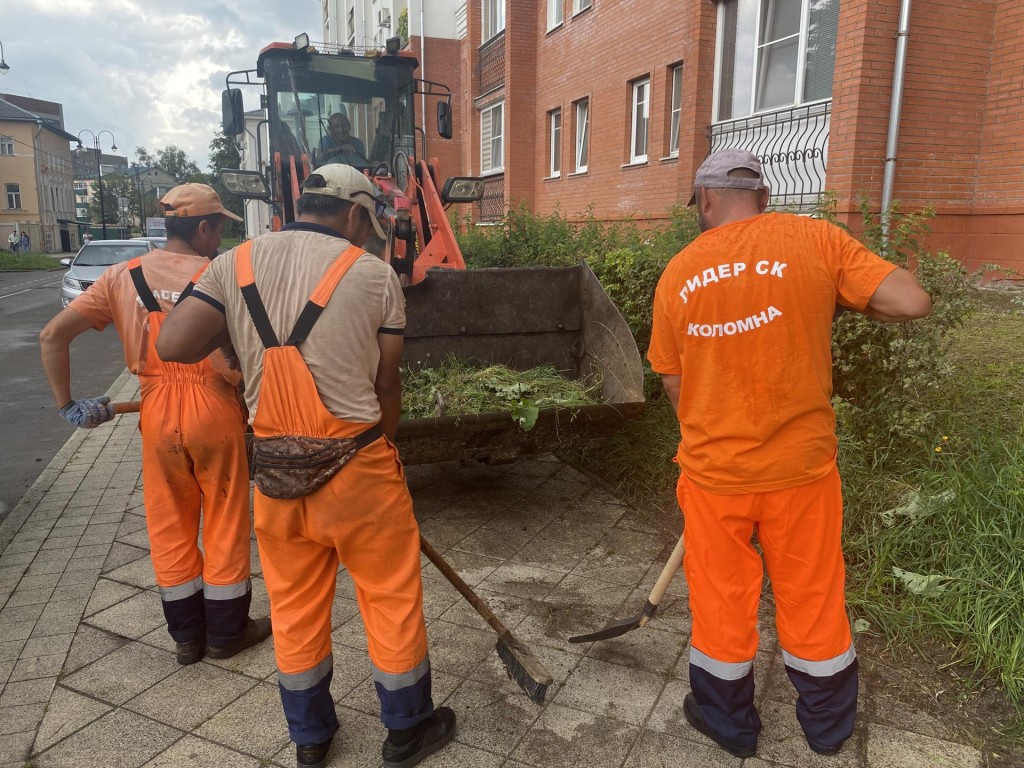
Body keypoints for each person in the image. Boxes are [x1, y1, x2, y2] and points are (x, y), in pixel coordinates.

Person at [156, 164, 455, 768]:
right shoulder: (372, 275)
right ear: (351, 214)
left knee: (293, 607)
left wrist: (238, 338)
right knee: (390, 598)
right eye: (366, 224)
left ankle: (310, 737)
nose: (366, 237)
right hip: (360, 472)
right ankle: (405, 731)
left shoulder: (233, 265)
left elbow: (172, 346)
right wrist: (382, 456)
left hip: (275, 476)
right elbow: (387, 386)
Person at [647, 149, 932, 759]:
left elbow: (672, 382)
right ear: (765, 197)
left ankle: (730, 726)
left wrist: (711, 434)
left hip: (715, 475)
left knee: (721, 600)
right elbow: (911, 302)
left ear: (705, 199)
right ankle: (828, 730)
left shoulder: (677, 274)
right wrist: (838, 292)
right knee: (813, 593)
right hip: (801, 472)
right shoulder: (815, 242)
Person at [39, 183, 271, 667]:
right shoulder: (224, 275)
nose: (220, 239)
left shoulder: (121, 277)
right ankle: (228, 632)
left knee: (170, 522)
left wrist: (68, 405)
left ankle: (187, 637)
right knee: (226, 519)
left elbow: (52, 335)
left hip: (156, 409)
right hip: (216, 407)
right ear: (204, 227)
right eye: (220, 228)